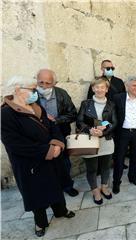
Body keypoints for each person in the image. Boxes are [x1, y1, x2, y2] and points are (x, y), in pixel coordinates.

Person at [1, 76, 75, 237]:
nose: (36, 92)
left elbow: (52, 126)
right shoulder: (6, 114)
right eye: (32, 89)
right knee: (36, 194)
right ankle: (40, 223)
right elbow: (15, 144)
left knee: (55, 186)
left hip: (51, 157)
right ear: (18, 90)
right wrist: (48, 151)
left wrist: (57, 144)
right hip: (29, 164)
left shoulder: (35, 106)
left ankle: (61, 211)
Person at [36, 69, 79, 197]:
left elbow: (72, 114)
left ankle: (67, 186)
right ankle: (50, 189)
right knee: (44, 165)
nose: (44, 86)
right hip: (40, 137)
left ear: (55, 83)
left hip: (60, 134)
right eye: (41, 82)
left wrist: (56, 120)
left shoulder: (62, 94)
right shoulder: (31, 95)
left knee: (64, 162)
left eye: (48, 83)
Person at [77, 78, 117, 205]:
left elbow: (115, 122)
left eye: (102, 87)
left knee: (106, 167)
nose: (99, 89)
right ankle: (95, 190)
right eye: (97, 87)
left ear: (106, 89)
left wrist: (103, 132)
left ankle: (104, 187)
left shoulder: (111, 105)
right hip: (90, 141)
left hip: (106, 140)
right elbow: (79, 121)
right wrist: (90, 130)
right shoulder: (85, 104)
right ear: (93, 89)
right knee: (92, 169)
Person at [112, 76, 136, 194]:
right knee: (119, 158)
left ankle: (132, 176)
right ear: (127, 86)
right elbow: (111, 114)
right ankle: (116, 182)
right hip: (122, 132)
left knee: (135, 157)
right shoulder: (118, 98)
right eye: (134, 85)